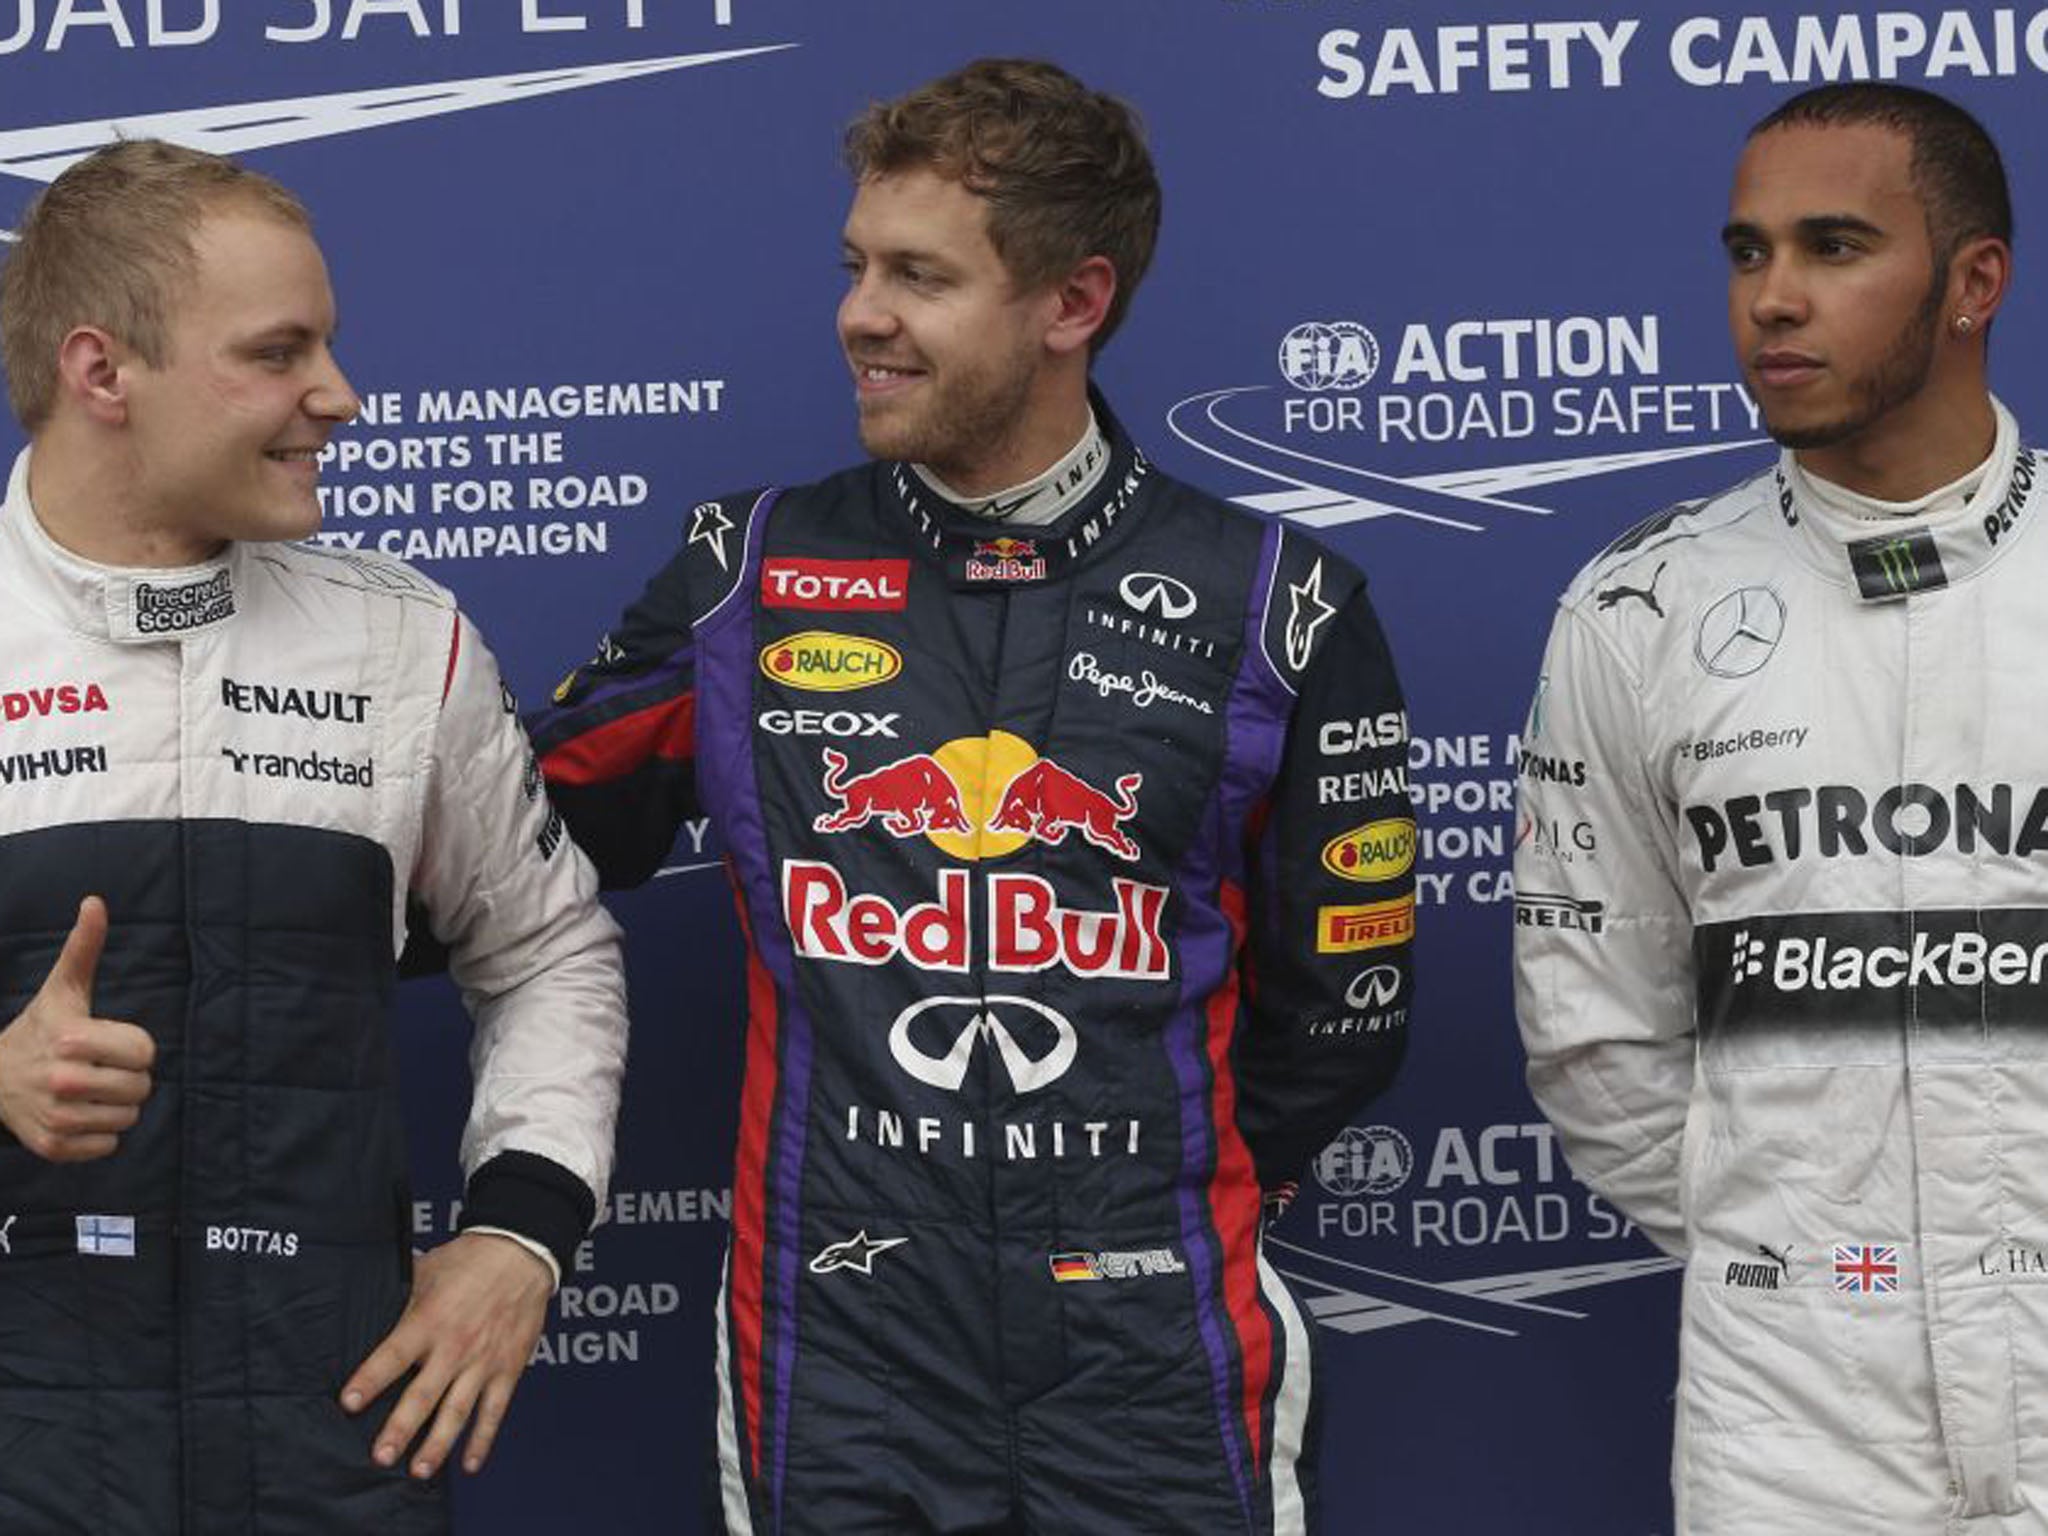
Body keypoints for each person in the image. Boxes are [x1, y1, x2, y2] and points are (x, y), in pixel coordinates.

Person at [532, 58, 1414, 1536]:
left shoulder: (1277, 603)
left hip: (1156, 1348)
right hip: (841, 1345)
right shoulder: (748, 576)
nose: (859, 314)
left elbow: (1344, 1016)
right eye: (859, 265)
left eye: (918, 276)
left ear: (1072, 302)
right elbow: (525, 843)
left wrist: (1139, 1200)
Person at [0, 140, 628, 1533]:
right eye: (279, 353)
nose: (337, 398)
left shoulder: (401, 640)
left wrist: (519, 1232)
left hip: (331, 1448)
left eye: (326, 348)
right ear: (104, 374)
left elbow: (550, 950)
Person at [1513, 82, 2039, 1530]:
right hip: (1794, 1410)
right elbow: (1596, 1032)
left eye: (1834, 247)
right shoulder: (1640, 606)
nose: (1774, 300)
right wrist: (1802, 1247)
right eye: (1748, 254)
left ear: (1972, 283)